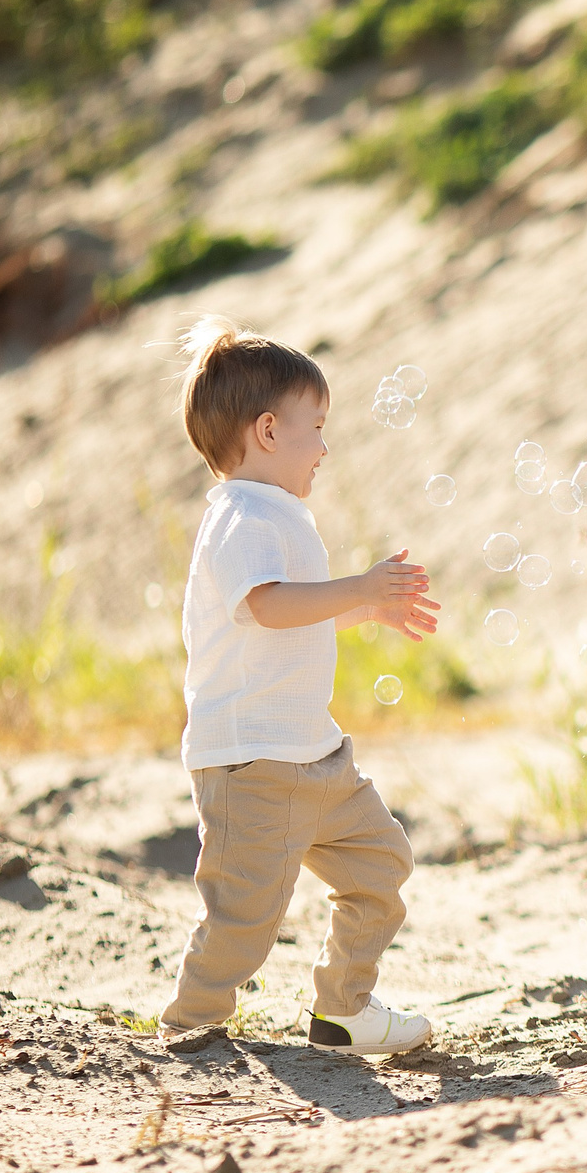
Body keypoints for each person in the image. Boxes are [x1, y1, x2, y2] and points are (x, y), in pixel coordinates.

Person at [156, 315, 442, 1057]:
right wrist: (356, 582)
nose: (325, 445)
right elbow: (266, 606)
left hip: (313, 752)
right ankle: (189, 1023)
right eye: (315, 426)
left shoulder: (277, 513)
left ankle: (341, 1009)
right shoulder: (241, 516)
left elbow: (294, 620)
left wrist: (363, 607)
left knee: (382, 866)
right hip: (254, 761)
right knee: (245, 917)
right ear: (268, 432)